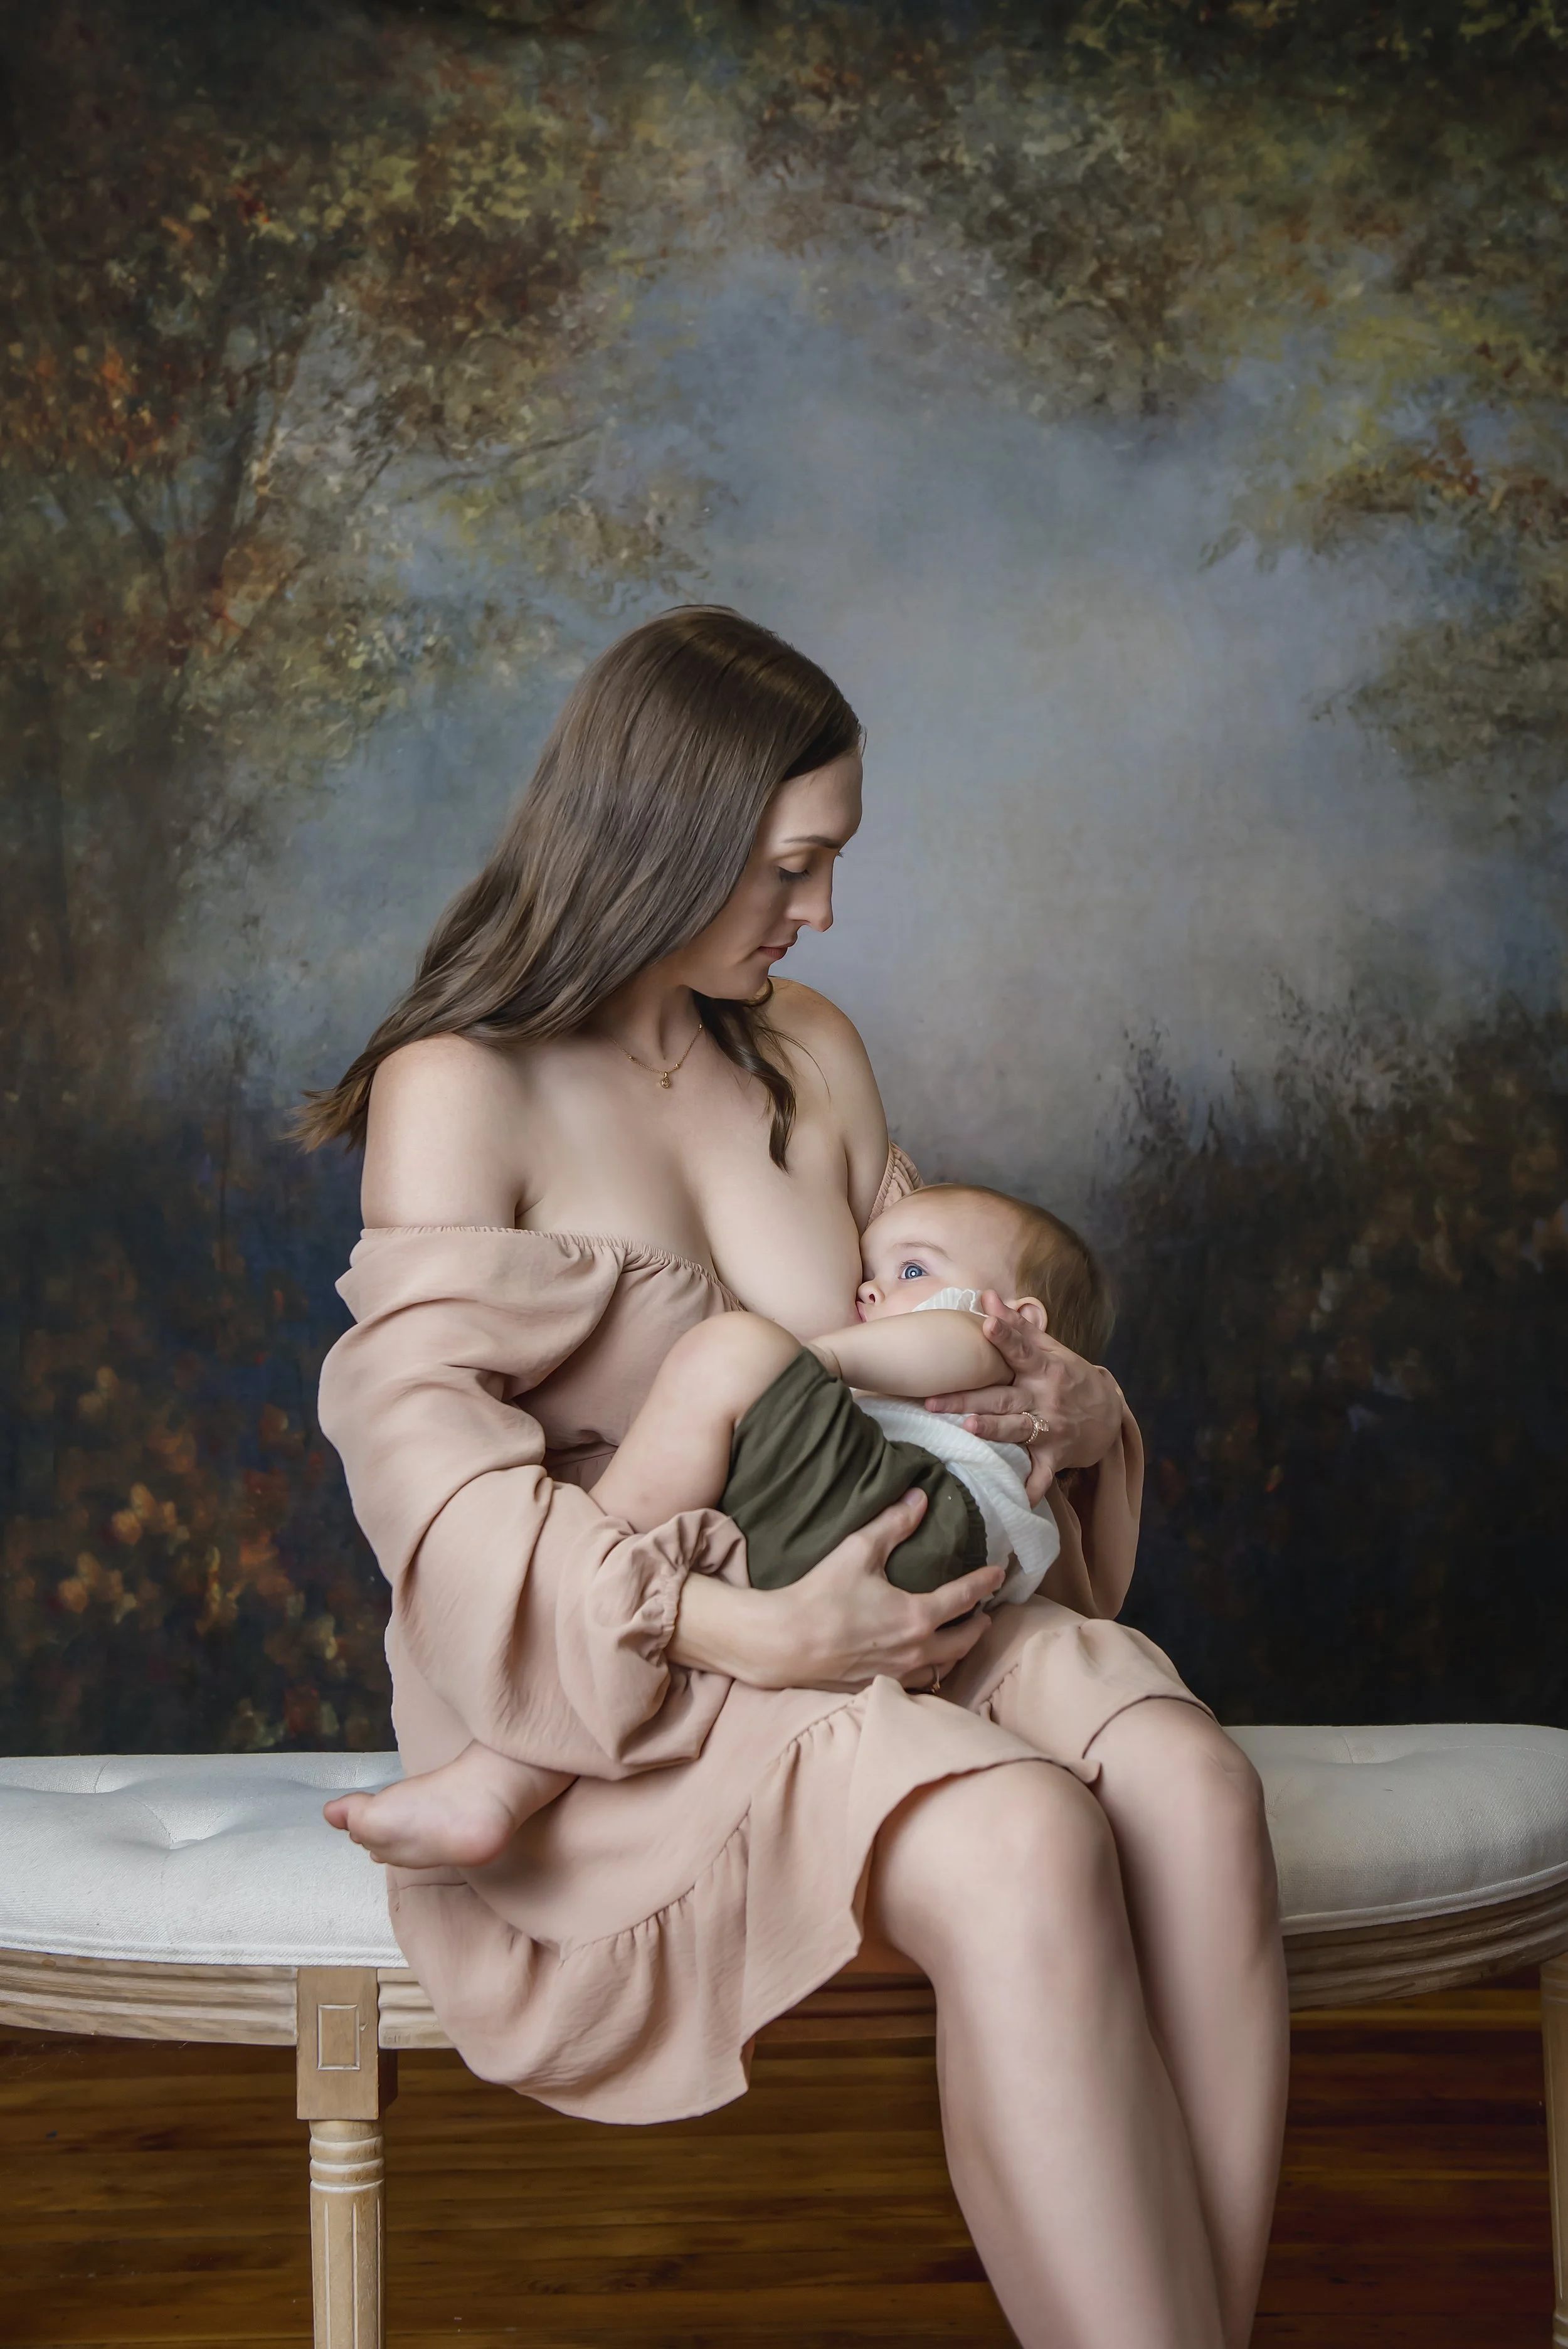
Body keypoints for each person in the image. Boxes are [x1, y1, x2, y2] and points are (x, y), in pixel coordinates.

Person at [305, 606, 1288, 2349]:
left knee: (1197, 1800)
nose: (819, 912)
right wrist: (761, 1638)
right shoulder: (457, 1086)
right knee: (1020, 1843)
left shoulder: (806, 1046)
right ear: (661, 833)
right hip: (645, 1653)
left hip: (900, 1559)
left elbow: (946, 1323)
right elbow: (431, 1487)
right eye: (788, 865)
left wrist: (1067, 1408)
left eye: (829, 865)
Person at [323, 1179, 1104, 1867]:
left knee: (727, 1354)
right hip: (898, 1545)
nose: (870, 1291)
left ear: (1024, 1316)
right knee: (682, 1574)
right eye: (869, 1273)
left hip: (922, 1519)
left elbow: (941, 1343)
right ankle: (504, 1779)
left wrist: (799, 1361)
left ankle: (561, 1655)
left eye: (910, 1270)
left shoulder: (993, 1345)